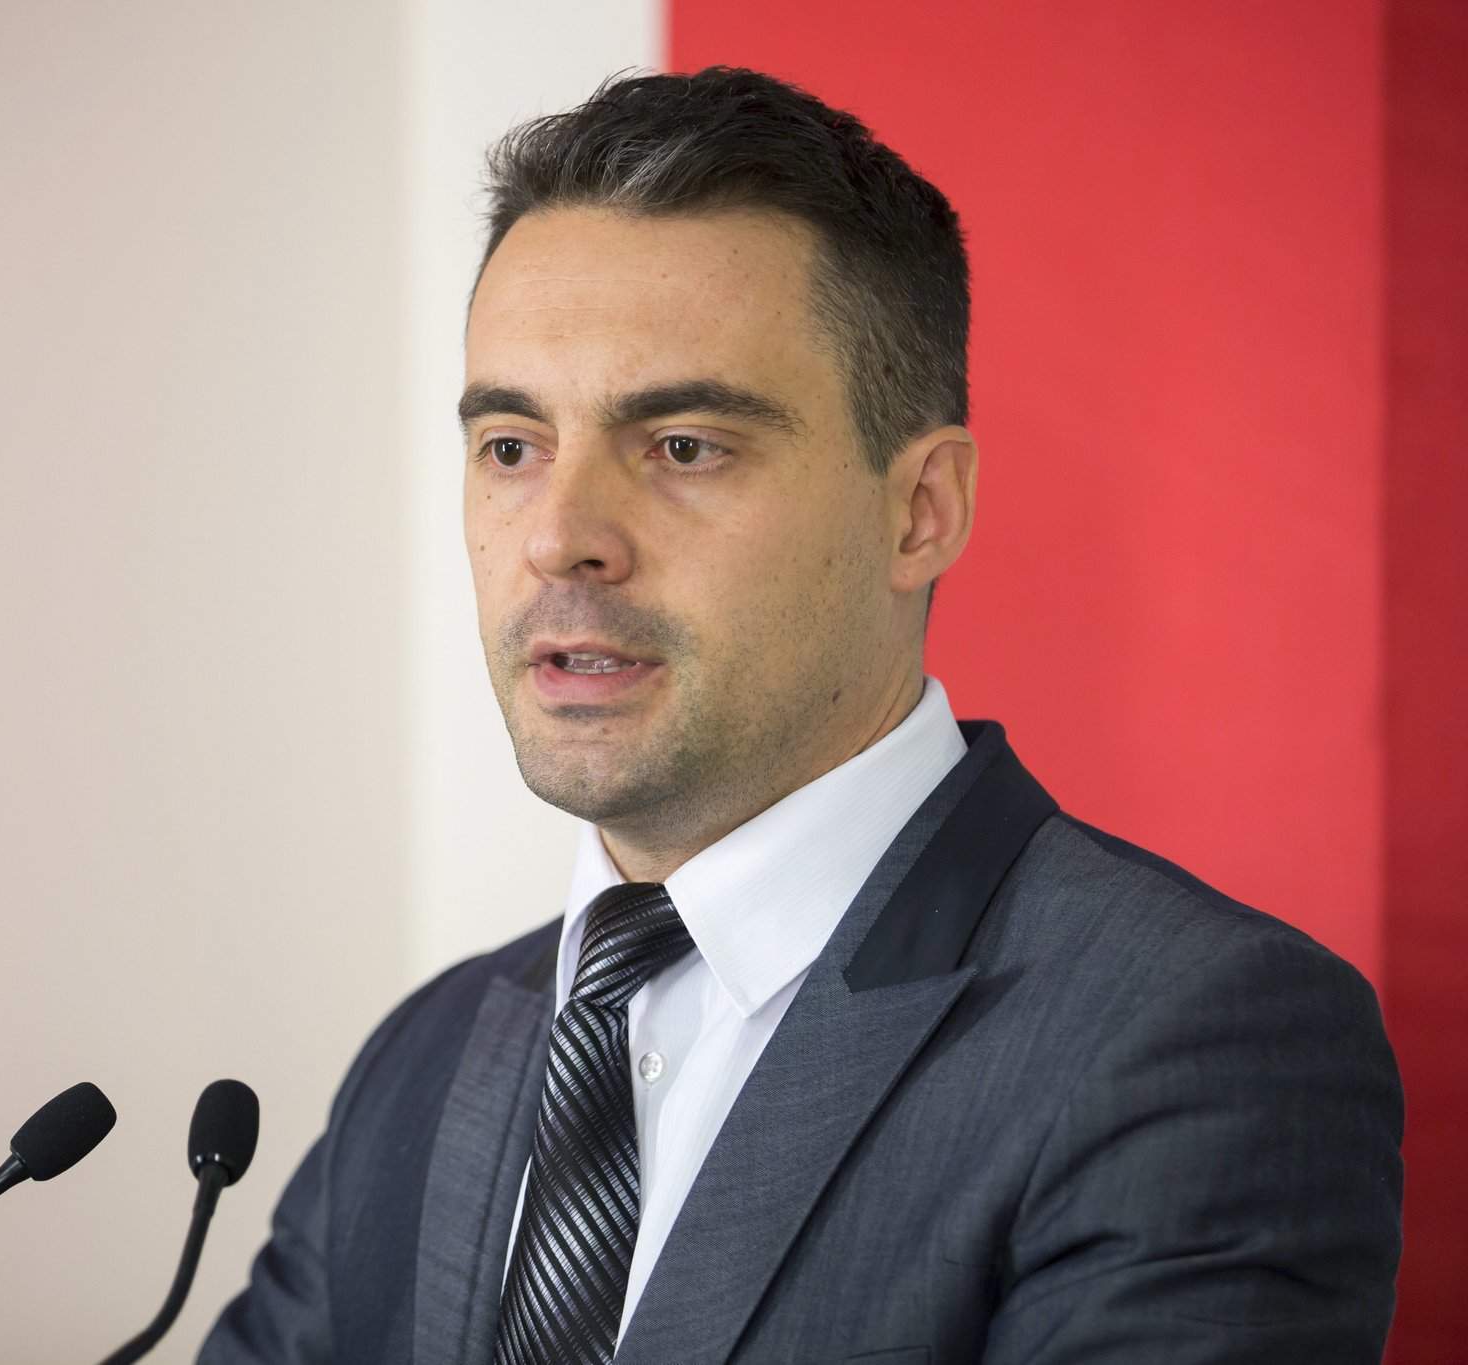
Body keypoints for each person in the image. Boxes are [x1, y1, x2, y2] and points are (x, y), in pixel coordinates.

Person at [198, 67, 1403, 1364]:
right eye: (511, 447)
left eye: (684, 446)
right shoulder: (421, 1063)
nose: (559, 536)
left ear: (920, 511)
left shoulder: (1192, 1039)